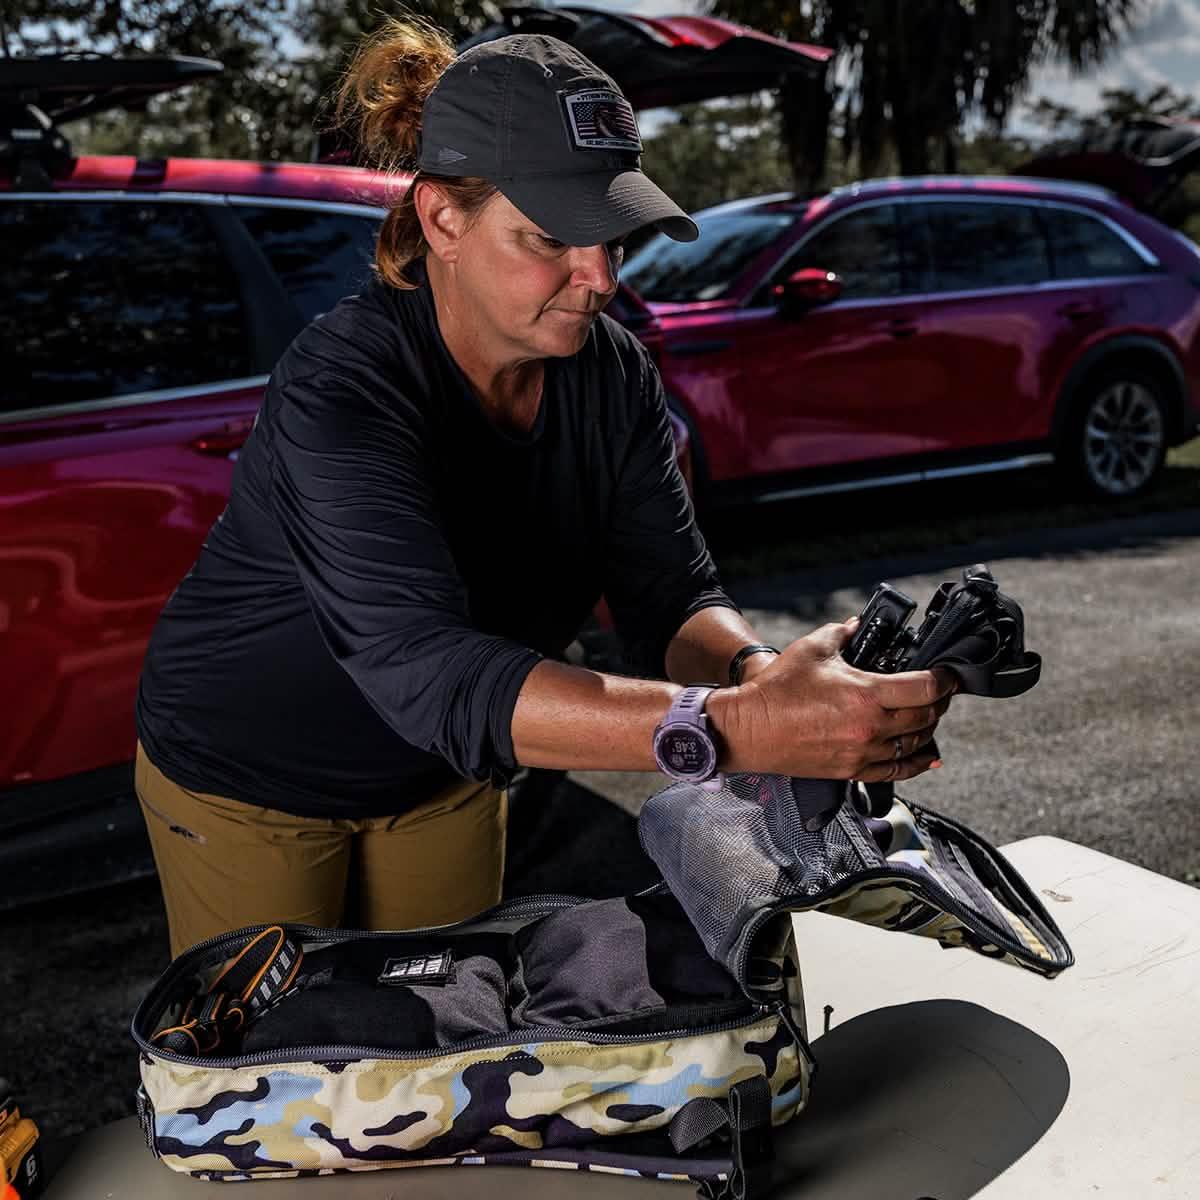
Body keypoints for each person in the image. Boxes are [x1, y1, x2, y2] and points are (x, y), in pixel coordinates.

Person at [134, 18, 954, 957]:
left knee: (437, 1045)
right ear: (444, 220)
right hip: (249, 771)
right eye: (552, 238)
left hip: (440, 778)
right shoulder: (344, 386)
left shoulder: (610, 373)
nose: (598, 277)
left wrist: (768, 678)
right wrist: (734, 727)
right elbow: (431, 671)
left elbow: (670, 594)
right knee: (274, 1078)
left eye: (615, 237)